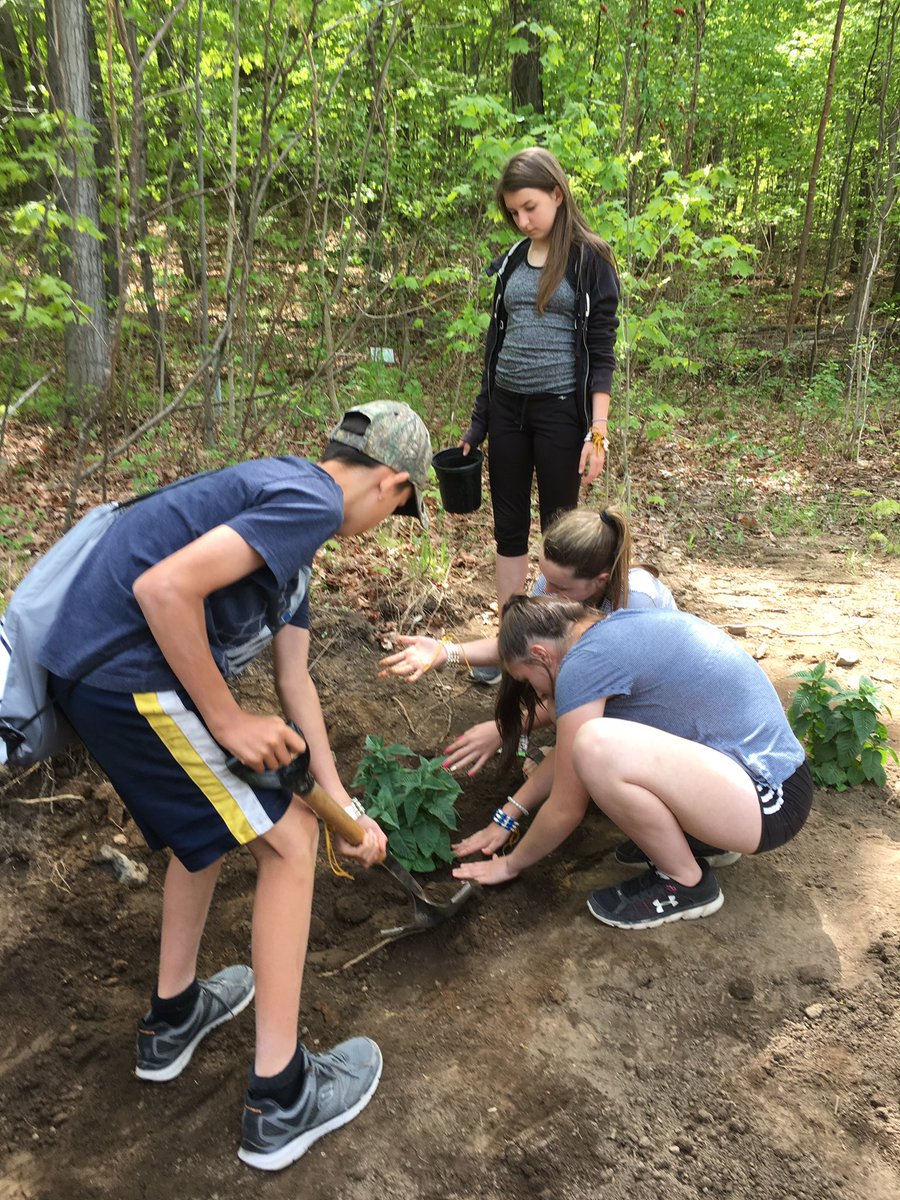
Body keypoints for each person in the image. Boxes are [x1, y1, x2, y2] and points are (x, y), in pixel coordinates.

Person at [39, 401, 432, 1171]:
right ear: (390, 484)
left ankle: (174, 1014)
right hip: (127, 678)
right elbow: (161, 592)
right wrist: (224, 720)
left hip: (105, 676)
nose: (388, 522)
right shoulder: (310, 500)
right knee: (291, 838)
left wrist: (346, 805)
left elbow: (296, 684)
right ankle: (281, 1097)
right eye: (400, 509)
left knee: (219, 820)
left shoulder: (291, 538)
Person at [451, 596, 813, 930]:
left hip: (769, 801)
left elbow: (567, 803)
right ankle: (706, 841)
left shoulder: (583, 666)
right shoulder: (607, 631)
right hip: (770, 783)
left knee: (595, 745)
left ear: (541, 655)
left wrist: (510, 864)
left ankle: (685, 882)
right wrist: (509, 813)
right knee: (591, 745)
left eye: (526, 680)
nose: (536, 695)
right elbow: (567, 759)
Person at [379, 507, 676, 855]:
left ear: (600, 580)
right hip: (607, 694)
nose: (545, 590)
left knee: (591, 752)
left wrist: (512, 727)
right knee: (578, 747)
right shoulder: (558, 590)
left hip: (660, 713)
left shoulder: (636, 604)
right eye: (544, 577)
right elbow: (526, 645)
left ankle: (675, 815)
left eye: (560, 586)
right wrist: (449, 652)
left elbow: (594, 699)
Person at [460, 146, 620, 683]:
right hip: (507, 410)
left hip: (560, 416)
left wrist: (597, 433)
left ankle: (551, 646)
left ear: (557, 193)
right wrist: (479, 424)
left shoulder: (589, 259)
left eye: (529, 207)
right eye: (513, 213)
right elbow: (493, 349)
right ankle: (509, 647)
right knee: (508, 528)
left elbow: (602, 351)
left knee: (557, 536)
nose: (522, 220)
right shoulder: (510, 261)